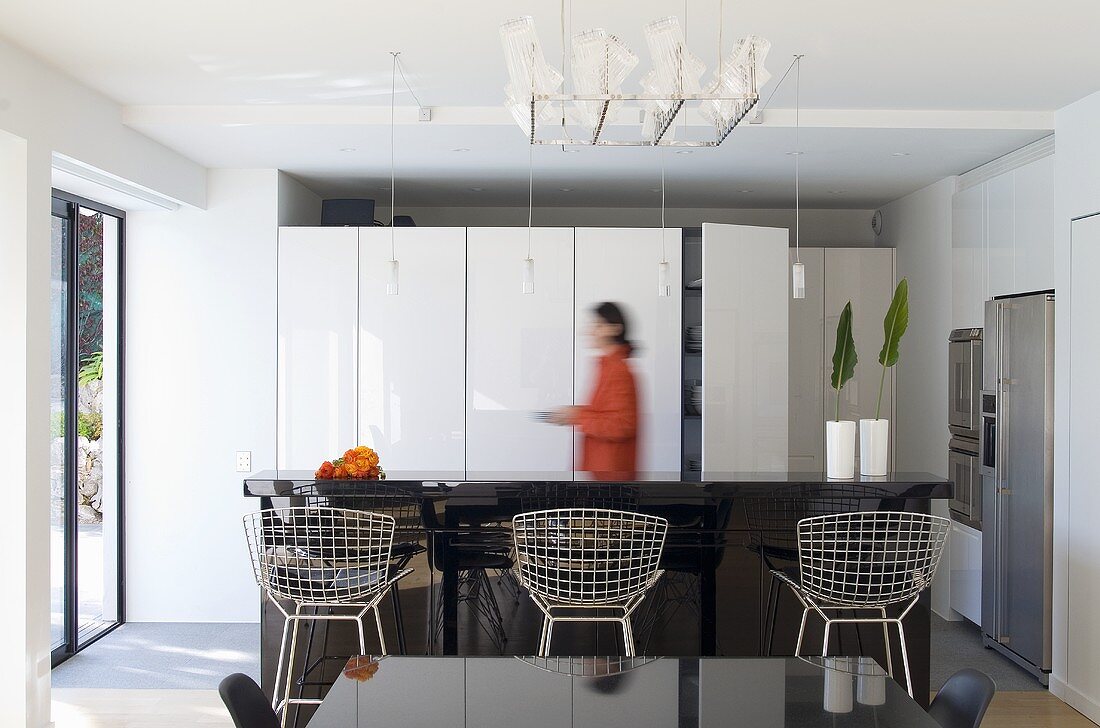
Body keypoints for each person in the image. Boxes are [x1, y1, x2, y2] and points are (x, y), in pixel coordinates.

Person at [549, 302, 640, 480]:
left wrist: (577, 416)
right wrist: (574, 413)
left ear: (615, 329)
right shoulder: (608, 367)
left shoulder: (619, 371)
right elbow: (604, 413)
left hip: (611, 479)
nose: (590, 331)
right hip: (600, 474)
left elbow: (621, 425)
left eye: (598, 325)